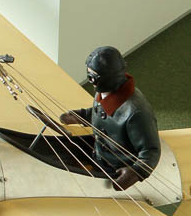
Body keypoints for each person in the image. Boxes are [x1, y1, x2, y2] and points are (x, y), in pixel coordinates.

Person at [29, 46, 160, 190]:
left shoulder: (136, 113)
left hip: (115, 168)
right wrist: (82, 115)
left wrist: (135, 172)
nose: (90, 81)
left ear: (105, 79)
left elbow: (151, 150)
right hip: (98, 153)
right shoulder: (105, 92)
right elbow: (103, 111)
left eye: (92, 77)